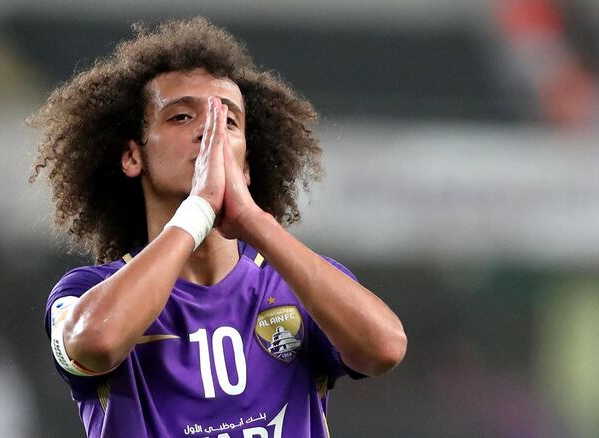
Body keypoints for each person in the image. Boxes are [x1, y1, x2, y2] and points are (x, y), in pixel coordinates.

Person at [30, 17, 407, 438]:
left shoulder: (297, 283)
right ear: (133, 157)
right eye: (181, 117)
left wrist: (252, 222)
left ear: (246, 165)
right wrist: (197, 211)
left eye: (228, 122)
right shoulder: (87, 290)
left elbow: (385, 349)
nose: (208, 133)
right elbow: (94, 343)